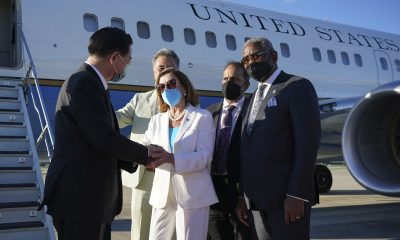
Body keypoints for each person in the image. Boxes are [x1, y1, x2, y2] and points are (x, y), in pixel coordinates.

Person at [39, 27, 154, 240]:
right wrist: (147, 154)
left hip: (89, 201)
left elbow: (93, 141)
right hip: (80, 200)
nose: (126, 66)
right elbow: (103, 139)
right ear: (114, 58)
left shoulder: (91, 83)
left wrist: (138, 161)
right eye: (127, 61)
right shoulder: (83, 83)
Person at [236, 37, 320, 239]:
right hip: (256, 203)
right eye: (245, 61)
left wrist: (297, 194)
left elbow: (307, 145)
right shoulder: (251, 98)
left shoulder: (296, 86)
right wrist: (242, 197)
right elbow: (246, 150)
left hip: (286, 202)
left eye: (255, 56)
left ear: (273, 56)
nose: (250, 63)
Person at [143, 68, 218, 240]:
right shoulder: (156, 120)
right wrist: (145, 159)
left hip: (192, 195)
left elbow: (204, 156)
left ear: (185, 88)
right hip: (162, 194)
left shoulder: (202, 117)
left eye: (171, 83)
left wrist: (171, 158)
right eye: (161, 87)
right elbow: (145, 146)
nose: (166, 89)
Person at [116, 48, 180, 240]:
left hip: (172, 177)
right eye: (161, 67)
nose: (165, 71)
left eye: (170, 67)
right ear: (154, 72)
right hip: (144, 178)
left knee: (171, 232)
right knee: (141, 230)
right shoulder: (139, 99)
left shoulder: (188, 102)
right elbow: (116, 119)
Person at [206, 61, 252, 240]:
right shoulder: (209, 114)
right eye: (225, 78)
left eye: (234, 79)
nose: (228, 82)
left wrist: (244, 194)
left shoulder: (253, 112)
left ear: (245, 84)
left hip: (243, 192)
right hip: (214, 191)